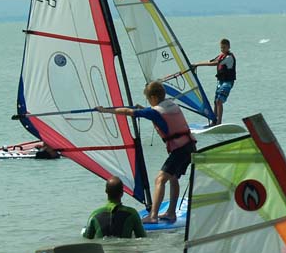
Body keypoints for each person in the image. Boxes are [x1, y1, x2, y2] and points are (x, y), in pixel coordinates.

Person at [97, 80, 196, 223]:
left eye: (148, 99)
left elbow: (128, 112)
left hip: (179, 150)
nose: (149, 102)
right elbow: (160, 117)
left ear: (154, 97)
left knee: (160, 179)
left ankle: (153, 216)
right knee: (173, 178)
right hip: (189, 146)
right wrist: (144, 109)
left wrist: (105, 110)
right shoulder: (171, 104)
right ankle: (171, 213)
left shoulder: (154, 111)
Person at [192, 38, 236, 124]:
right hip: (220, 81)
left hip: (228, 82)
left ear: (229, 47)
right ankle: (214, 121)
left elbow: (214, 63)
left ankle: (219, 122)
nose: (222, 49)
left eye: (224, 47)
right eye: (221, 47)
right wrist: (196, 64)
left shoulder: (229, 57)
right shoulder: (221, 56)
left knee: (219, 101)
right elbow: (210, 61)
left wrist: (197, 64)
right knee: (215, 101)